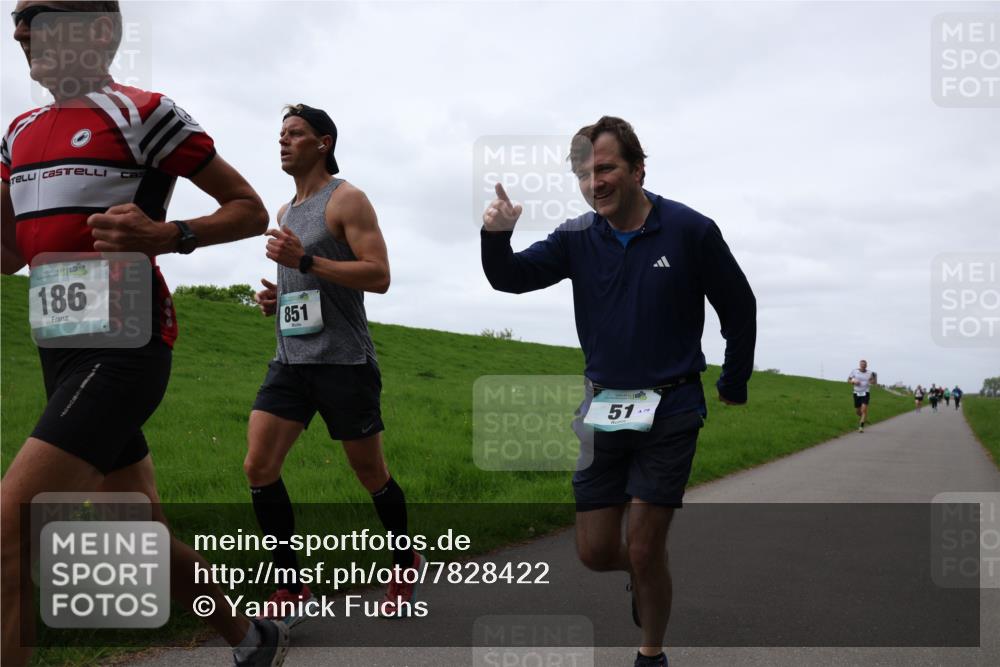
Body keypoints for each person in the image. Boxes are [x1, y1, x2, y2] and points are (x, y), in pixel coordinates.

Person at [0, 3, 288, 666]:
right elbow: (9, 254)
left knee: (11, 525)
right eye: (15, 17)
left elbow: (248, 209)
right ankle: (252, 637)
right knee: (138, 531)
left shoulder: (145, 113)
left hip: (126, 344)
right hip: (59, 352)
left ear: (98, 29)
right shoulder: (17, 133)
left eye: (37, 14)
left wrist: (168, 234)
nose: (19, 29)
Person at [481, 116, 756, 667]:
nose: (594, 182)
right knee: (595, 550)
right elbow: (510, 277)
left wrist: (733, 380)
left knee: (646, 544)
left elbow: (739, 307)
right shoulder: (577, 237)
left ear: (638, 170)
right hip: (602, 408)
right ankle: (643, 574)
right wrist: (496, 235)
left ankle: (650, 652)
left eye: (604, 168)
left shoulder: (691, 230)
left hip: (672, 406)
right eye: (583, 174)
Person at [245, 103, 420, 626]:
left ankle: (404, 561)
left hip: (344, 361)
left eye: (295, 133)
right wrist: (281, 296)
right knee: (258, 467)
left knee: (371, 474)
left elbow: (379, 275)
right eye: (280, 133)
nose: (283, 141)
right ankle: (291, 584)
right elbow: (308, 281)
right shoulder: (285, 212)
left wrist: (304, 261)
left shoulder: (347, 199)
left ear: (323, 143)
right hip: (290, 361)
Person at [847, 360, 876, 432]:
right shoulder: (854, 371)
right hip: (856, 393)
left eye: (864, 365)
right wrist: (853, 382)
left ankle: (861, 427)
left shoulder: (870, 373)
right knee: (858, 412)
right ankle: (864, 418)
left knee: (863, 410)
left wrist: (872, 380)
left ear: (866, 365)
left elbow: (873, 382)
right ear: (860, 365)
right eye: (862, 365)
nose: (863, 366)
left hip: (865, 393)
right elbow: (848, 380)